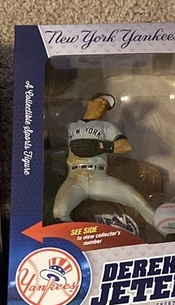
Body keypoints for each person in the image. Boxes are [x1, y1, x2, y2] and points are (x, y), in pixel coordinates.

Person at [52, 92, 157, 227]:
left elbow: (125, 146)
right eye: (101, 102)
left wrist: (100, 146)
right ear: (90, 103)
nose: (103, 107)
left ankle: (167, 231)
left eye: (106, 106)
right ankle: (74, 237)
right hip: (75, 177)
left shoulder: (106, 126)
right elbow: (51, 142)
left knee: (134, 197)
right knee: (59, 212)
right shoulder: (70, 127)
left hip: (99, 177)